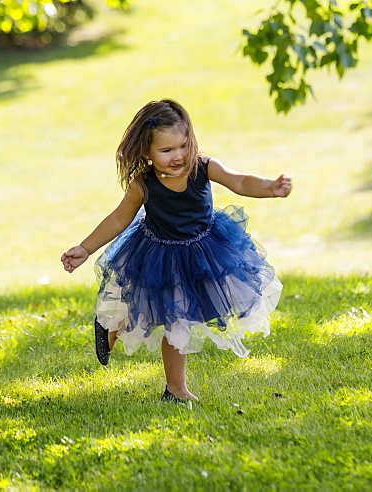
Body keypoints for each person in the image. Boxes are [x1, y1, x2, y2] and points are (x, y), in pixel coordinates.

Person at [61, 99, 291, 404]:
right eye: (166, 151)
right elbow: (119, 218)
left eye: (183, 146)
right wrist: (85, 248)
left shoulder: (204, 167)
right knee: (164, 313)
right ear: (147, 152)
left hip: (205, 251)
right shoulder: (143, 184)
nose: (178, 156)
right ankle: (111, 327)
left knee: (179, 317)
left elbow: (240, 180)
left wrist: (268, 187)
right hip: (159, 255)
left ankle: (174, 389)